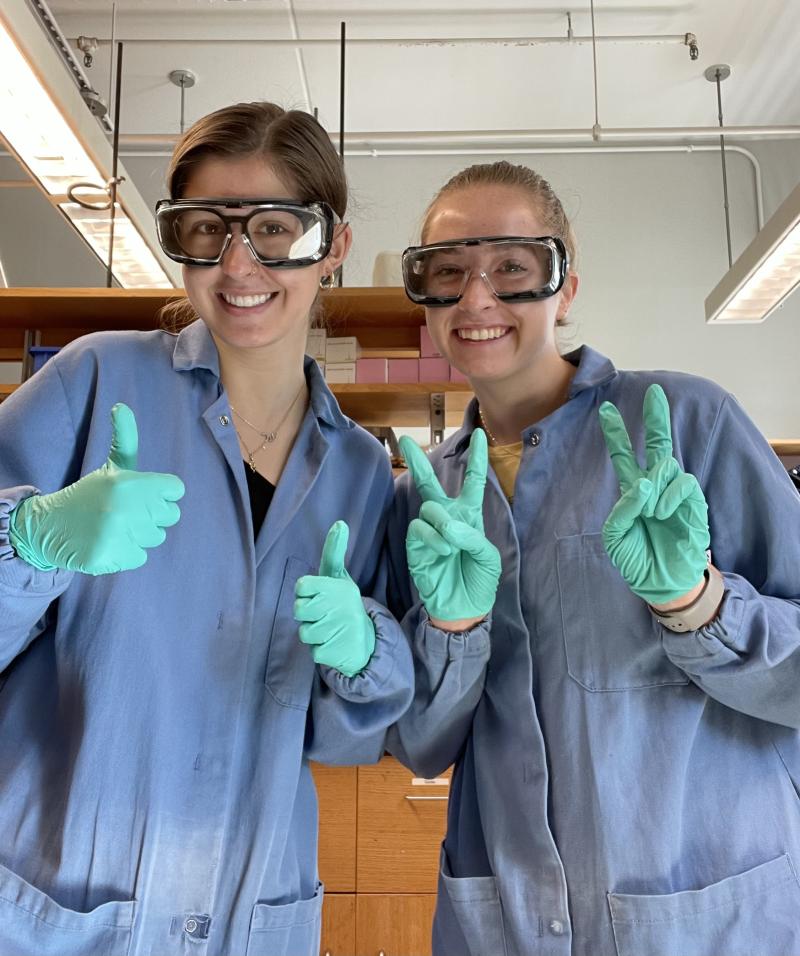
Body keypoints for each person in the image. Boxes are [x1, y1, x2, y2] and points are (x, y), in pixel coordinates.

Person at [0, 101, 413, 956]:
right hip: (50, 906)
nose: (237, 264)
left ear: (332, 245)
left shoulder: (364, 473)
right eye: (203, 228)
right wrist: (27, 544)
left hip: (249, 913)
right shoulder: (94, 380)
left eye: (273, 227)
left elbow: (342, 738)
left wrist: (365, 657)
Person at [385, 160, 800, 956]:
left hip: (714, 918)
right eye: (447, 272)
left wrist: (701, 606)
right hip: (505, 919)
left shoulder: (685, 423)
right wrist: (452, 628)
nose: (477, 298)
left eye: (513, 267)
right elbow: (425, 743)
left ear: (565, 287)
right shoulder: (423, 497)